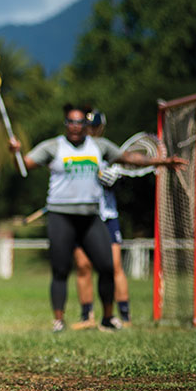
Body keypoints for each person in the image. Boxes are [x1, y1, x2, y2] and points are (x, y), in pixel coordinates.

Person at [9, 104, 184, 332]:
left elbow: (129, 158)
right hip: (61, 215)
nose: (74, 126)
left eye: (79, 122)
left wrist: (162, 162)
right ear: (66, 125)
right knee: (61, 269)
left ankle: (108, 317)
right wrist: (15, 153)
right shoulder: (53, 147)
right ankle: (59, 320)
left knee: (107, 266)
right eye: (70, 122)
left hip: (91, 216)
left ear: (86, 125)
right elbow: (24, 167)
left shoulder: (98, 146)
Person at [71, 109, 131, 328]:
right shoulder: (74, 151)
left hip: (106, 217)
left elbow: (122, 183)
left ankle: (124, 315)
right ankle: (87, 316)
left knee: (114, 266)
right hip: (81, 215)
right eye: (88, 127)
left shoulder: (107, 151)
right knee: (83, 265)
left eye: (94, 127)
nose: (91, 131)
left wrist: (113, 180)